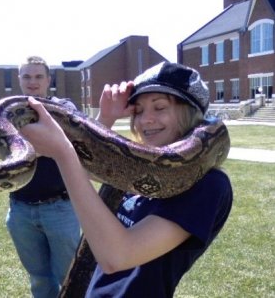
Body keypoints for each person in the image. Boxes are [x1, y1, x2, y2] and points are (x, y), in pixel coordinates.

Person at [20, 62, 233, 298]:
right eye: (139, 110)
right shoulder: (136, 167)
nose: (145, 120)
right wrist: (106, 118)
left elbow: (117, 256)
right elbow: (91, 171)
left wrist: (63, 152)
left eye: (160, 107)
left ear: (190, 113)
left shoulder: (208, 185)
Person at [0, 56, 80, 298]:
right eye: (27, 76)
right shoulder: (5, 111)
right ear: (19, 80)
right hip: (20, 210)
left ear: (48, 79)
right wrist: (45, 144)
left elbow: (73, 143)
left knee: (71, 275)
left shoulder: (64, 107)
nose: (33, 82)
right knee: (38, 278)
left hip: (61, 208)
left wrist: (19, 144)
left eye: (38, 76)